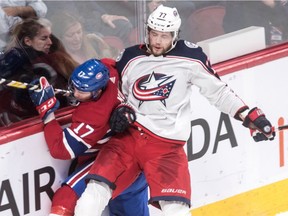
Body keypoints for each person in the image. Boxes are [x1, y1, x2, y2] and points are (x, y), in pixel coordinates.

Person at [74, 5, 276, 216]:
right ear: (148, 31)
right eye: (154, 34)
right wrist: (122, 107)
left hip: (166, 147)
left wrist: (248, 115)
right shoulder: (129, 57)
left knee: (176, 211)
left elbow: (219, 93)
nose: (158, 41)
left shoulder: (190, 57)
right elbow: (118, 93)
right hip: (128, 139)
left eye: (164, 36)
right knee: (91, 198)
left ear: (175, 35)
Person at [28, 58, 149, 216]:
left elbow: (61, 149)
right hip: (141, 160)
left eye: (82, 91)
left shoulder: (95, 117)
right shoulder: (109, 70)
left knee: (66, 198)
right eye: (75, 86)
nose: (76, 93)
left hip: (121, 162)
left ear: (98, 92)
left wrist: (47, 113)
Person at [0, 17, 77, 125]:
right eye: (44, 38)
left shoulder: (50, 59)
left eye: (50, 37)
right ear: (28, 41)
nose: (50, 42)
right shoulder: (18, 66)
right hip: (28, 125)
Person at [44, 1, 133, 47]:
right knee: (96, 38)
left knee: (123, 25)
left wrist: (104, 14)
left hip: (95, 20)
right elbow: (68, 22)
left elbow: (90, 3)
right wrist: (85, 31)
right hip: (82, 28)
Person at [50, 11, 119, 64]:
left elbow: (113, 58)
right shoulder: (58, 61)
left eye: (79, 32)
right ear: (59, 38)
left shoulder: (94, 43)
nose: (77, 38)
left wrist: (103, 46)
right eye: (70, 35)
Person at [223, 0, 288, 46]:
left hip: (263, 43)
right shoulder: (234, 4)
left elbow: (279, 21)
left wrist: (272, 4)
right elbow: (227, 25)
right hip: (240, 43)